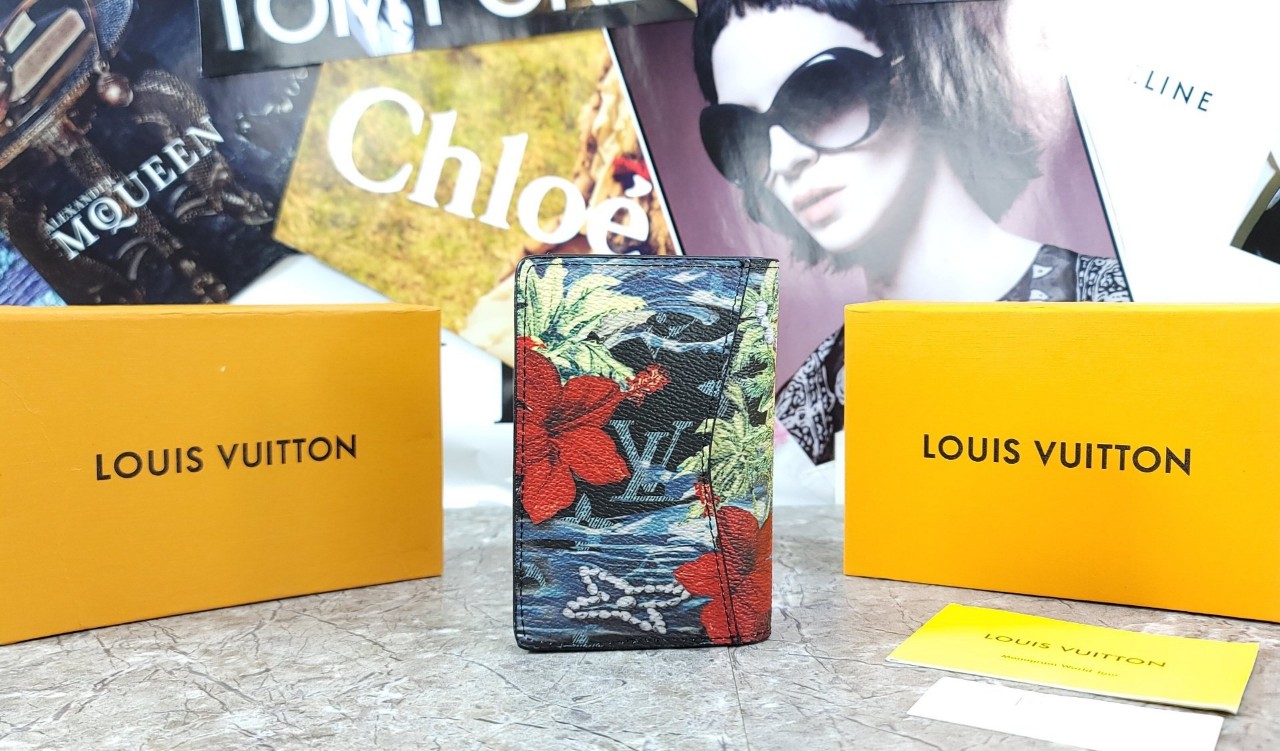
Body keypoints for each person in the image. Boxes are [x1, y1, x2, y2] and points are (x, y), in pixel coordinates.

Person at [692, 0, 1131, 464]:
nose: (784, 160)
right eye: (741, 130)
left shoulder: (1123, 310)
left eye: (823, 91)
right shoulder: (802, 417)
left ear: (922, 68)